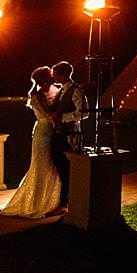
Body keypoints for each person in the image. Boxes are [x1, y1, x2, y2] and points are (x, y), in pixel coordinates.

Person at [0, 66, 62, 218]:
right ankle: (36, 204)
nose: (52, 79)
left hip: (54, 132)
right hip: (43, 133)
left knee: (54, 168)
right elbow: (46, 116)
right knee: (41, 167)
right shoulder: (35, 96)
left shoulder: (57, 90)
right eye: (49, 76)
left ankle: (54, 201)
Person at [49, 61, 90, 208]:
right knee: (60, 167)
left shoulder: (76, 90)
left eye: (56, 75)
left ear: (63, 74)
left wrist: (63, 117)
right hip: (59, 133)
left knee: (68, 169)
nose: (53, 78)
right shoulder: (61, 90)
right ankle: (63, 198)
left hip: (69, 135)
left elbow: (83, 114)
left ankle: (67, 201)